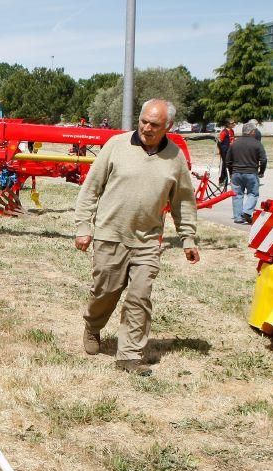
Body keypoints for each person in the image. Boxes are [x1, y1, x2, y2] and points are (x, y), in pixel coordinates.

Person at [74, 98, 199, 376]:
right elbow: (90, 189)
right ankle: (93, 326)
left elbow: (183, 202)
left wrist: (188, 238)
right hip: (111, 236)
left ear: (167, 126)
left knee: (139, 298)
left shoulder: (175, 158)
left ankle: (129, 355)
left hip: (147, 242)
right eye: (144, 121)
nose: (147, 128)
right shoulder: (116, 146)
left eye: (155, 124)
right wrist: (84, 226)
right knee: (105, 292)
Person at [226, 122, 267, 224]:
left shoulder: (234, 143)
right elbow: (264, 160)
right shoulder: (257, 143)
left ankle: (238, 217)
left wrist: (231, 173)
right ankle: (247, 211)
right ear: (252, 132)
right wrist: (261, 172)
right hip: (251, 173)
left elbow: (228, 161)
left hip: (236, 173)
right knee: (253, 193)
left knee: (237, 195)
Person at [217, 119, 236, 186]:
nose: (234, 124)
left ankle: (232, 180)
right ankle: (221, 180)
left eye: (234, 123)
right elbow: (219, 142)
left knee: (231, 165)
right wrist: (220, 151)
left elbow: (232, 140)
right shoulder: (224, 132)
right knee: (223, 166)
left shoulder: (232, 131)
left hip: (231, 151)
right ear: (228, 124)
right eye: (232, 123)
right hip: (224, 152)